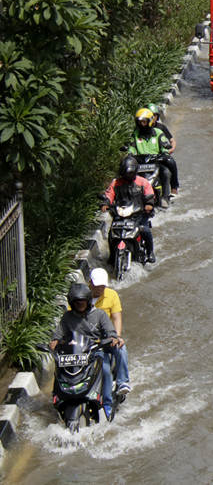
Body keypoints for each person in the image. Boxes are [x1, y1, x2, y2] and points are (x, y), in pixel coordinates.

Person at [50, 282, 124, 421]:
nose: (80, 305)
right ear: (72, 302)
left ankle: (107, 403)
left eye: (82, 302)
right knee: (59, 370)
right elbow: (58, 334)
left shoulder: (100, 314)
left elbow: (110, 331)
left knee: (106, 370)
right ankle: (57, 398)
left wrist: (112, 338)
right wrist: (54, 342)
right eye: (77, 302)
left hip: (95, 351)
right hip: (74, 354)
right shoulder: (67, 317)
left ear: (88, 301)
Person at [100, 156, 156, 264]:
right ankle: (112, 256)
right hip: (120, 214)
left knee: (145, 230)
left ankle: (150, 252)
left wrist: (149, 204)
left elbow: (150, 195)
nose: (127, 176)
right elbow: (109, 194)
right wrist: (105, 203)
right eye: (125, 174)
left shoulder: (143, 182)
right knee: (112, 233)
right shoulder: (116, 183)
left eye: (129, 173)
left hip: (139, 214)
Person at [89, 268, 132, 401]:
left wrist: (117, 337)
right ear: (90, 283)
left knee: (121, 349)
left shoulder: (111, 295)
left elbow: (116, 317)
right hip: (87, 339)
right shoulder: (81, 297)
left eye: (102, 287)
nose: (99, 290)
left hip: (106, 337)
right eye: (97, 286)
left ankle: (122, 382)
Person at [127, 107, 173, 206]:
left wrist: (164, 153)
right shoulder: (135, 134)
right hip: (140, 163)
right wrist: (130, 153)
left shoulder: (158, 132)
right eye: (139, 122)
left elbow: (164, 145)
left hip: (156, 161)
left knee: (166, 172)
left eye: (144, 122)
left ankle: (165, 197)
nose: (141, 124)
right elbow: (132, 147)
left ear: (150, 121)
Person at [147, 102, 179, 197]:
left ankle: (174, 187)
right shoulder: (139, 129)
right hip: (144, 156)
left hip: (159, 155)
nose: (153, 117)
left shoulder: (160, 128)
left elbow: (172, 140)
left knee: (171, 162)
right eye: (150, 115)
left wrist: (171, 149)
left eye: (154, 115)